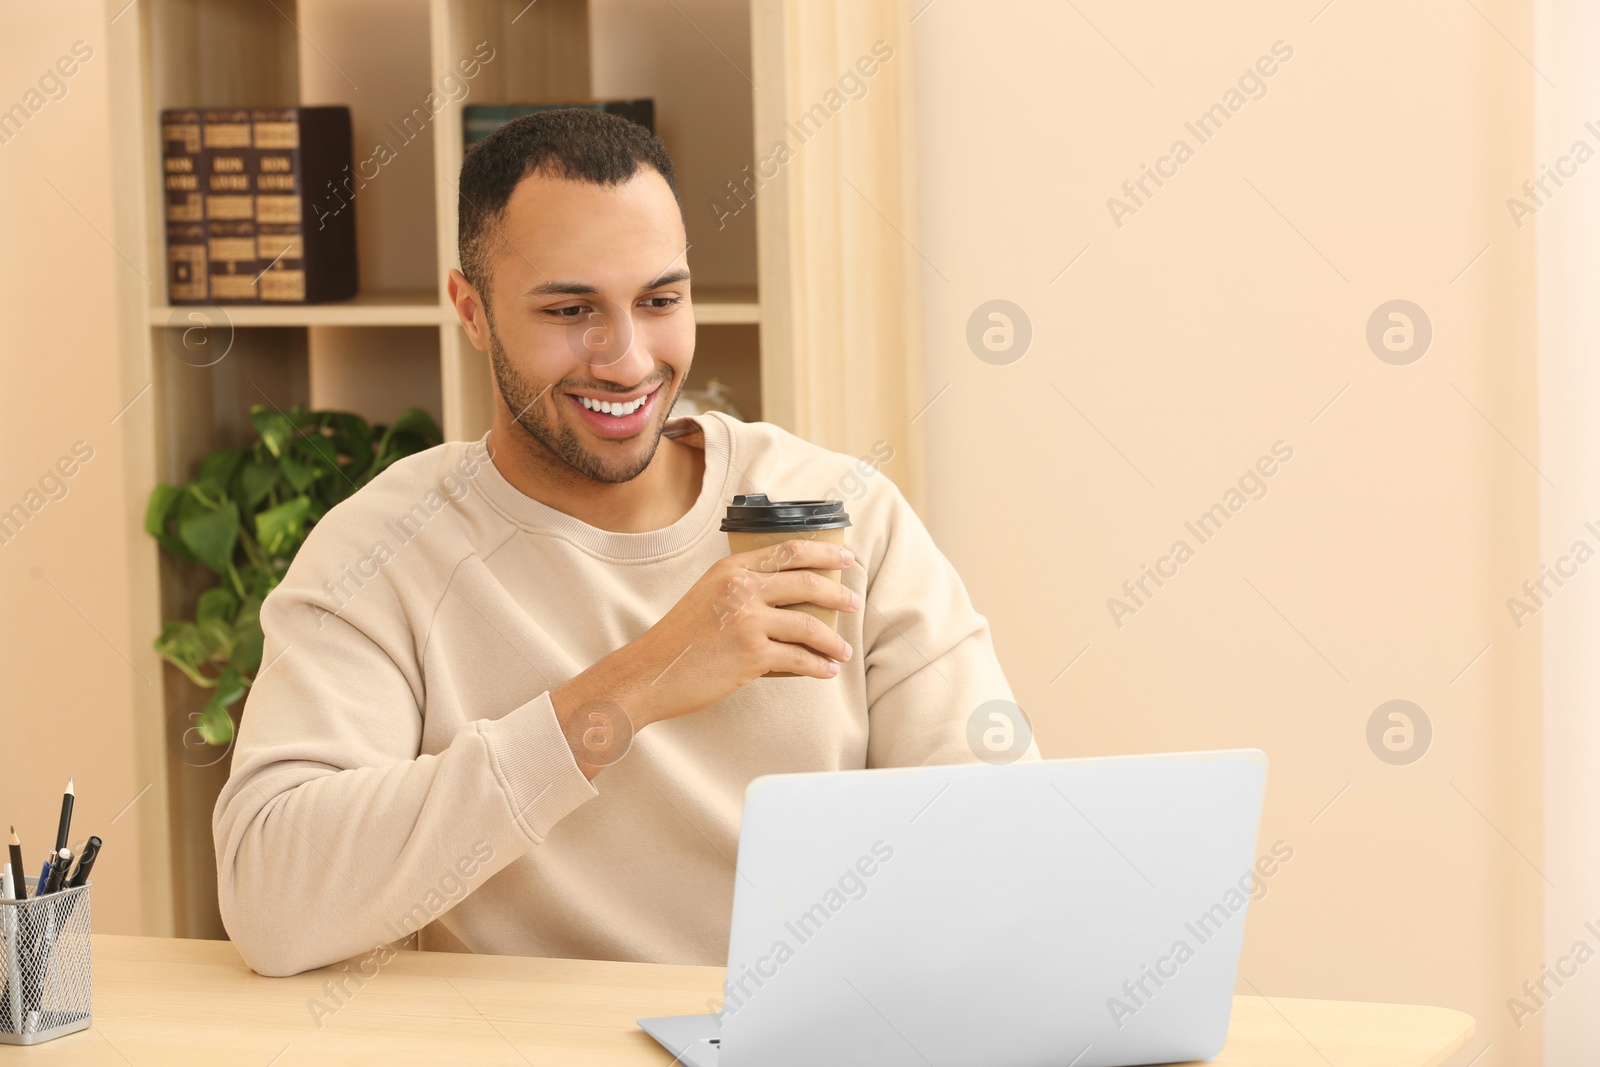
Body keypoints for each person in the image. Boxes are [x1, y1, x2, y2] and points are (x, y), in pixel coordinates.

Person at [212, 108, 1027, 978]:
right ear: (472, 310)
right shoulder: (385, 550)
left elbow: (1006, 848)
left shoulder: (843, 512)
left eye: (659, 300)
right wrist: (638, 683)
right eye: (572, 308)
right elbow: (273, 900)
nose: (629, 359)